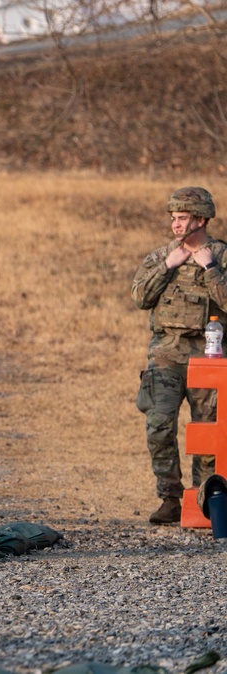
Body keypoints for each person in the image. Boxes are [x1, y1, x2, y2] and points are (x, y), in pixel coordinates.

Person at [131, 186, 224, 525]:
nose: (176, 225)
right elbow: (140, 297)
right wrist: (168, 266)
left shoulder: (221, 257)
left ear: (201, 219)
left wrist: (211, 268)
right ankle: (170, 498)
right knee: (158, 425)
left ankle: (206, 501)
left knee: (208, 433)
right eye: (173, 218)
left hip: (209, 359)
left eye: (183, 218)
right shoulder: (161, 256)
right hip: (166, 356)